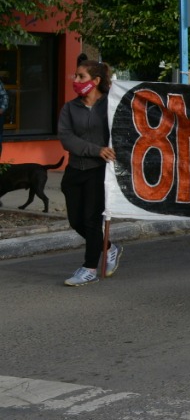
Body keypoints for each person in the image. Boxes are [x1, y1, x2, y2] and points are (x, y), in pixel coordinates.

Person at [56, 60, 122, 287]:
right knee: (76, 221)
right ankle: (110, 248)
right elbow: (66, 138)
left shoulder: (111, 106)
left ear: (95, 81)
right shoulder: (70, 108)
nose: (75, 81)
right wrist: (96, 149)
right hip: (75, 170)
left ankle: (89, 268)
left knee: (91, 220)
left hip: (99, 172)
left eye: (81, 77)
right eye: (75, 76)